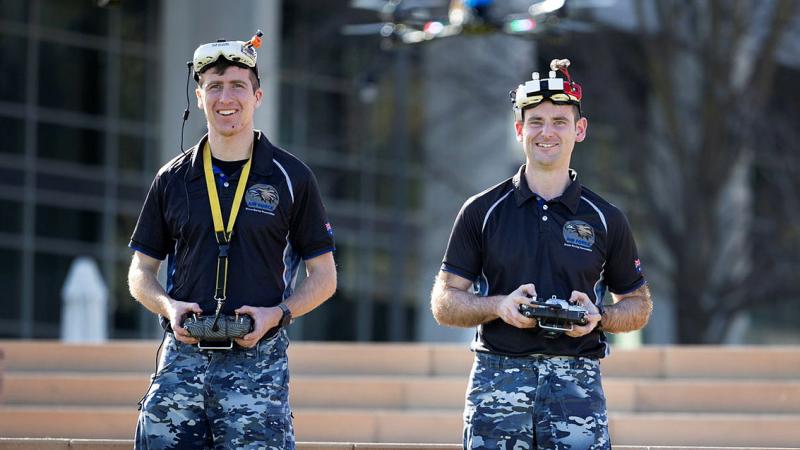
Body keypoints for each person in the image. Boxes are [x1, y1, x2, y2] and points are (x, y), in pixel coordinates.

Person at [128, 31, 336, 449]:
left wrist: (276, 314)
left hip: (258, 370)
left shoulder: (292, 177)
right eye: (215, 86)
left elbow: (324, 278)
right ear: (200, 96)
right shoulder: (173, 178)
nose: (227, 97)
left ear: (257, 96)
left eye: (238, 85)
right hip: (179, 369)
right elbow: (140, 272)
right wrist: (168, 307)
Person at [430, 59, 652, 449]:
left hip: (577, 385)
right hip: (497, 379)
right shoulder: (482, 211)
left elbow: (638, 304)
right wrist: (499, 306)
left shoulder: (606, 218)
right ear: (519, 129)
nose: (546, 133)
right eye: (535, 121)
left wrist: (599, 317)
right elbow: (444, 303)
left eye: (560, 121)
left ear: (579, 130)